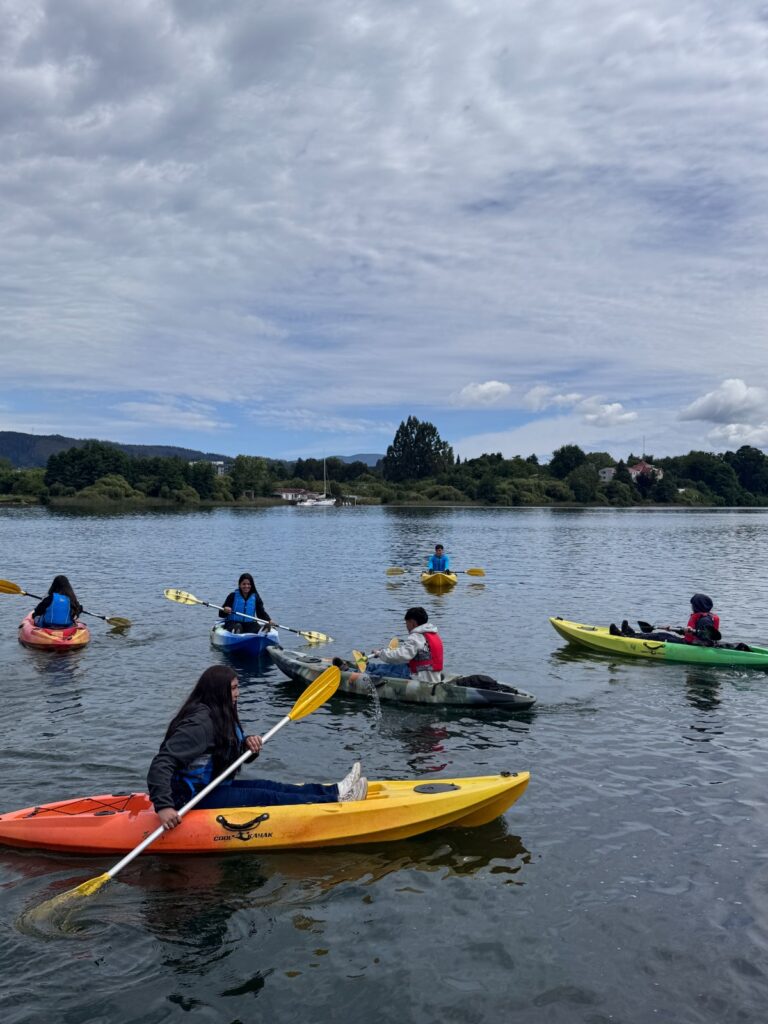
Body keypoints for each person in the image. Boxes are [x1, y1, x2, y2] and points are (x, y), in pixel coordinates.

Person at [147, 665, 367, 830]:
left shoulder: (220, 713)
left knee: (273, 786)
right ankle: (337, 802)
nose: (238, 693)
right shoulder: (199, 724)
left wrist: (247, 747)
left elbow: (225, 754)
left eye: (237, 687)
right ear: (218, 691)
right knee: (268, 797)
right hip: (189, 799)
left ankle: (335, 791)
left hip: (213, 787)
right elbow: (162, 763)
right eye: (233, 688)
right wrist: (164, 807)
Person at [365, 607, 444, 683]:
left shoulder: (416, 637)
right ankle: (368, 666)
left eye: (407, 623)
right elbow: (408, 654)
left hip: (419, 678)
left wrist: (380, 654)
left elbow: (401, 656)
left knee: (378, 672)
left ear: (413, 623)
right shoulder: (433, 635)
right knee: (392, 667)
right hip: (431, 676)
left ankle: (363, 669)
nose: (406, 626)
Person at [610, 594, 721, 646]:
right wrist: (674, 629)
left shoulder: (705, 620)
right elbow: (693, 632)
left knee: (661, 636)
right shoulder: (704, 617)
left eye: (692, 605)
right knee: (665, 634)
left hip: (693, 647)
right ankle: (631, 634)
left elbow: (704, 636)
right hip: (691, 643)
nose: (691, 607)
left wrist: (691, 631)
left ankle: (624, 636)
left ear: (698, 605)